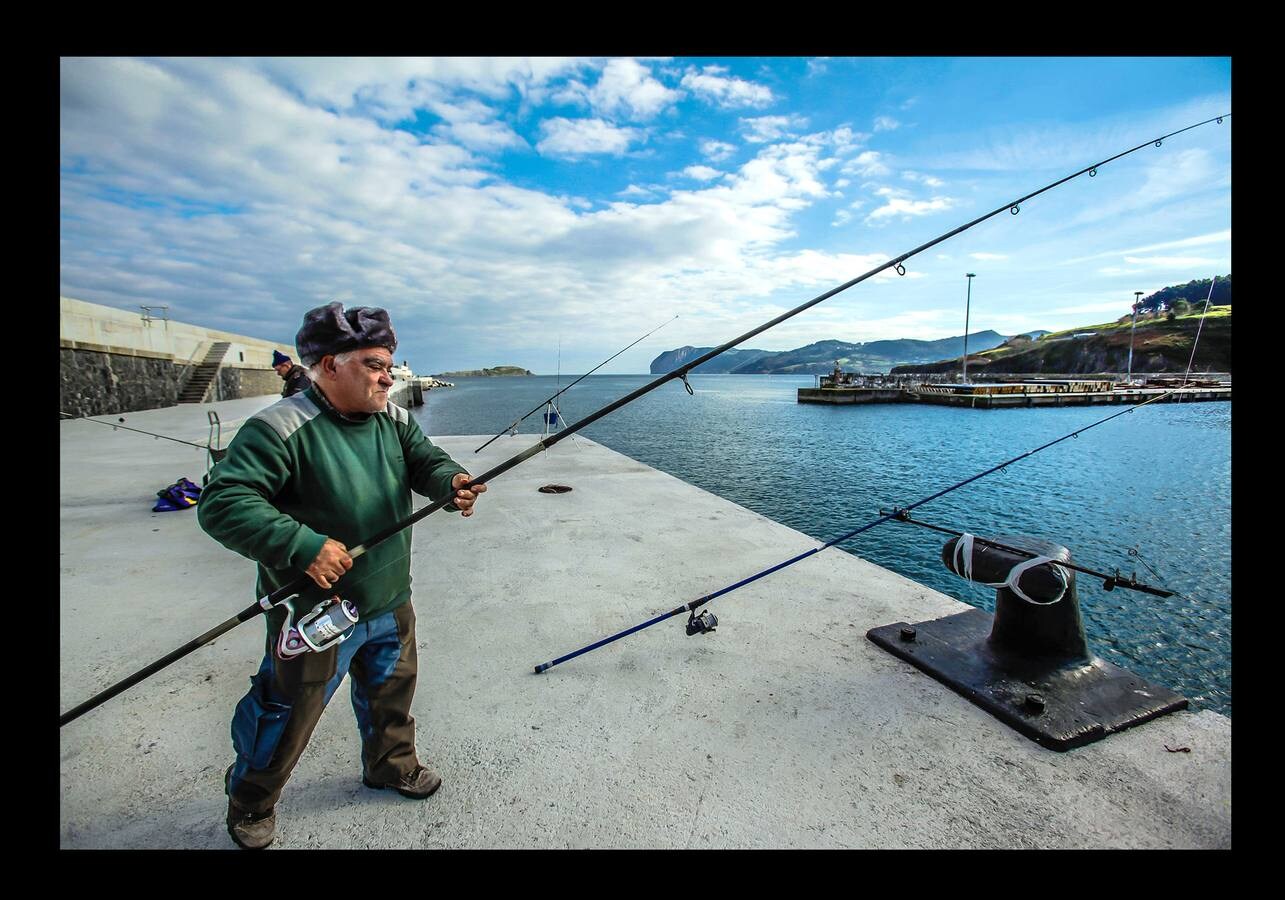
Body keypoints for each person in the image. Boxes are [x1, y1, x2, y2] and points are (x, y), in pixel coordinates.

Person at [198, 302, 486, 850]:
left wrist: (453, 483)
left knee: (391, 697)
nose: (388, 377)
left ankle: (390, 766)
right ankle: (252, 800)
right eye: (375, 364)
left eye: (390, 366)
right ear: (329, 365)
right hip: (313, 614)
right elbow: (222, 503)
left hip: (390, 598)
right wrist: (301, 545)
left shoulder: (392, 420)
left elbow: (427, 462)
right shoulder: (279, 428)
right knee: (285, 712)